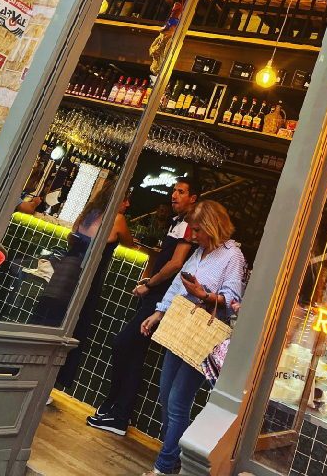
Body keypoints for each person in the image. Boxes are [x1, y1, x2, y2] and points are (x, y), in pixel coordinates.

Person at [140, 199, 246, 476]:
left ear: (211, 226)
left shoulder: (232, 256)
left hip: (202, 337)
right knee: (165, 396)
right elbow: (177, 286)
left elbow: (232, 298)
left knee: (178, 401)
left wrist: (203, 295)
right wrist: (158, 313)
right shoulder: (199, 252)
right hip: (180, 329)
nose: (193, 236)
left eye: (197, 230)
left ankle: (164, 467)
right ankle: (175, 458)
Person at [87, 178, 198, 435]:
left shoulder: (189, 225)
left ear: (193, 198)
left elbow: (175, 264)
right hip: (155, 296)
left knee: (122, 345)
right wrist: (149, 279)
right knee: (134, 354)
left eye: (181, 192)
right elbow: (163, 258)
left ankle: (116, 411)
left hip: (161, 299)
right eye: (174, 191)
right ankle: (116, 413)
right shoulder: (177, 223)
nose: (174, 195)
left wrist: (150, 285)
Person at [53, 186, 136, 391]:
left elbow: (72, 235)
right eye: (125, 200)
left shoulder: (88, 213)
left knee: (56, 320)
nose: (127, 204)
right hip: (90, 277)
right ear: (115, 199)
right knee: (76, 327)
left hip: (68, 270)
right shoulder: (116, 219)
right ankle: (57, 381)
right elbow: (129, 242)